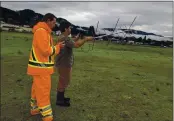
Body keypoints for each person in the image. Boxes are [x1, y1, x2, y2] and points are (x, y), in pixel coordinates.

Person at [27, 13, 64, 121]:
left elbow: (44, 49)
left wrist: (56, 47)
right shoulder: (42, 32)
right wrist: (57, 48)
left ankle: (35, 109)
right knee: (43, 91)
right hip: (41, 68)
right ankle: (47, 115)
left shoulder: (43, 31)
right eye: (53, 22)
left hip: (39, 68)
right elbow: (45, 51)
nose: (54, 24)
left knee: (36, 89)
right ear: (48, 20)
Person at [55, 21, 94, 107]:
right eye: (69, 28)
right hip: (64, 64)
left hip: (64, 63)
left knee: (65, 81)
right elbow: (76, 45)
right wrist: (86, 39)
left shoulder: (63, 37)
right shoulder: (64, 38)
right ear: (65, 29)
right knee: (64, 81)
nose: (70, 29)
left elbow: (72, 42)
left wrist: (77, 38)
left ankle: (61, 98)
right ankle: (60, 101)